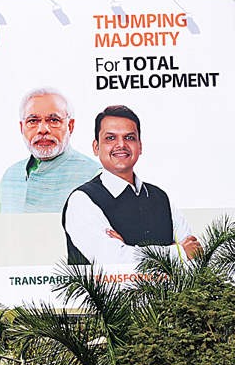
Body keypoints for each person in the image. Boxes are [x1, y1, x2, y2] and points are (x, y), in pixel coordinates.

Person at [63, 105, 201, 267]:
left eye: (129, 137)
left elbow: (194, 257)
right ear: (96, 147)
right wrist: (177, 253)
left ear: (140, 146)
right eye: (110, 138)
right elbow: (114, 262)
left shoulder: (161, 197)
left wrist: (128, 250)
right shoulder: (82, 200)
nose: (121, 145)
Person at [0, 88, 100, 215]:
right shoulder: (10, 176)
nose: (43, 129)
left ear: (70, 126)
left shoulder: (95, 176)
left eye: (54, 120)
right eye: (33, 121)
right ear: (22, 128)